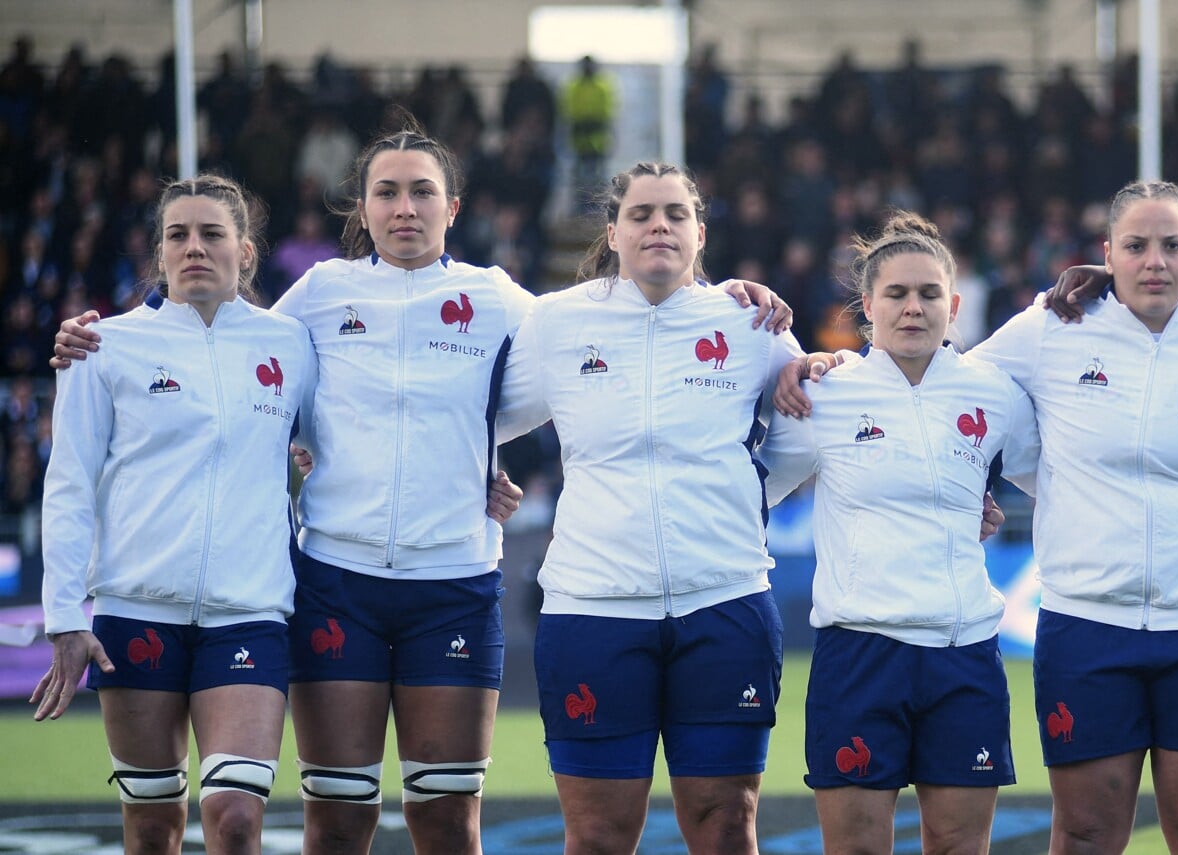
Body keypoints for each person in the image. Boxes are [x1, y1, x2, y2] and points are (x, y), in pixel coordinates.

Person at [50, 124, 792, 855]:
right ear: (364, 209)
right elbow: (229, 358)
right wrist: (108, 334)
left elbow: (612, 338)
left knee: (446, 820)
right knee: (337, 822)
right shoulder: (314, 297)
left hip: (456, 582)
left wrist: (716, 293)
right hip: (338, 582)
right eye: (387, 192)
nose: (405, 207)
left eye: (422, 192)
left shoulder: (503, 301)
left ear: (453, 207)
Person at [777, 181, 1178, 854]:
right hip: (1083, 619)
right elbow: (944, 395)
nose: (1153, 260)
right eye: (1134, 246)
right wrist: (822, 367)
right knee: (1085, 831)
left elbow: (980, 414)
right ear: (1108, 252)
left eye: (1170, 246)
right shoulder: (1050, 328)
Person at [493, 162, 804, 855]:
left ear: (699, 233)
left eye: (674, 214)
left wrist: (746, 496)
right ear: (613, 231)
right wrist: (484, 473)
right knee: (600, 834)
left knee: (725, 827)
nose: (657, 225)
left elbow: (809, 426)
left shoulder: (751, 321)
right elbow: (476, 419)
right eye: (640, 214)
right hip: (593, 609)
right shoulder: (558, 321)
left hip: (724, 603)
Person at [33, 174, 317, 855]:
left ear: (246, 252)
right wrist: (65, 614)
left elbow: (347, 443)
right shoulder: (103, 347)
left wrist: (481, 478)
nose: (195, 247)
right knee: (153, 825)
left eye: (212, 233)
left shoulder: (292, 344)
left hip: (249, 612)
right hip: (135, 613)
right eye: (178, 235)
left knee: (237, 819)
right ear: (157, 253)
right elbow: (68, 483)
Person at [759, 213, 1039, 855]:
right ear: (867, 304)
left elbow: (1058, 477)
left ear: (955, 303)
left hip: (963, 651)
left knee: (958, 847)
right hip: (859, 656)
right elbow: (748, 490)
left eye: (929, 293)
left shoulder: (995, 395)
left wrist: (979, 499)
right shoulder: (822, 395)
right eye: (897, 294)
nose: (914, 307)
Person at [562, 55, 616, 205]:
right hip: (579, 139)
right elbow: (568, 110)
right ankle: (580, 207)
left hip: (598, 139)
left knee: (599, 177)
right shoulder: (575, 86)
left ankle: (601, 205)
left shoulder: (602, 85)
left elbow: (608, 111)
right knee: (579, 178)